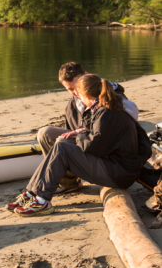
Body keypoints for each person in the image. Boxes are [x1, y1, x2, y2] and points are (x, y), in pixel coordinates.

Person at [8, 74, 152, 216]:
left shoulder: (106, 112)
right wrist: (80, 132)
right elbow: (100, 136)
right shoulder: (107, 107)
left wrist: (81, 134)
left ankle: (41, 200)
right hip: (117, 166)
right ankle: (31, 193)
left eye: (80, 96)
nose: (79, 100)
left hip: (119, 173)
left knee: (62, 147)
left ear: (87, 96)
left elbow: (93, 146)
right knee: (63, 142)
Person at [37, 62, 140, 194]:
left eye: (76, 87)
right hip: (87, 143)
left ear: (86, 76)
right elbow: (72, 131)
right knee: (45, 133)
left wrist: (80, 137)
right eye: (69, 89)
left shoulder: (111, 101)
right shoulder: (72, 105)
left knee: (62, 143)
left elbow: (100, 140)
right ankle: (68, 183)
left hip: (105, 155)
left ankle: (40, 194)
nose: (75, 93)